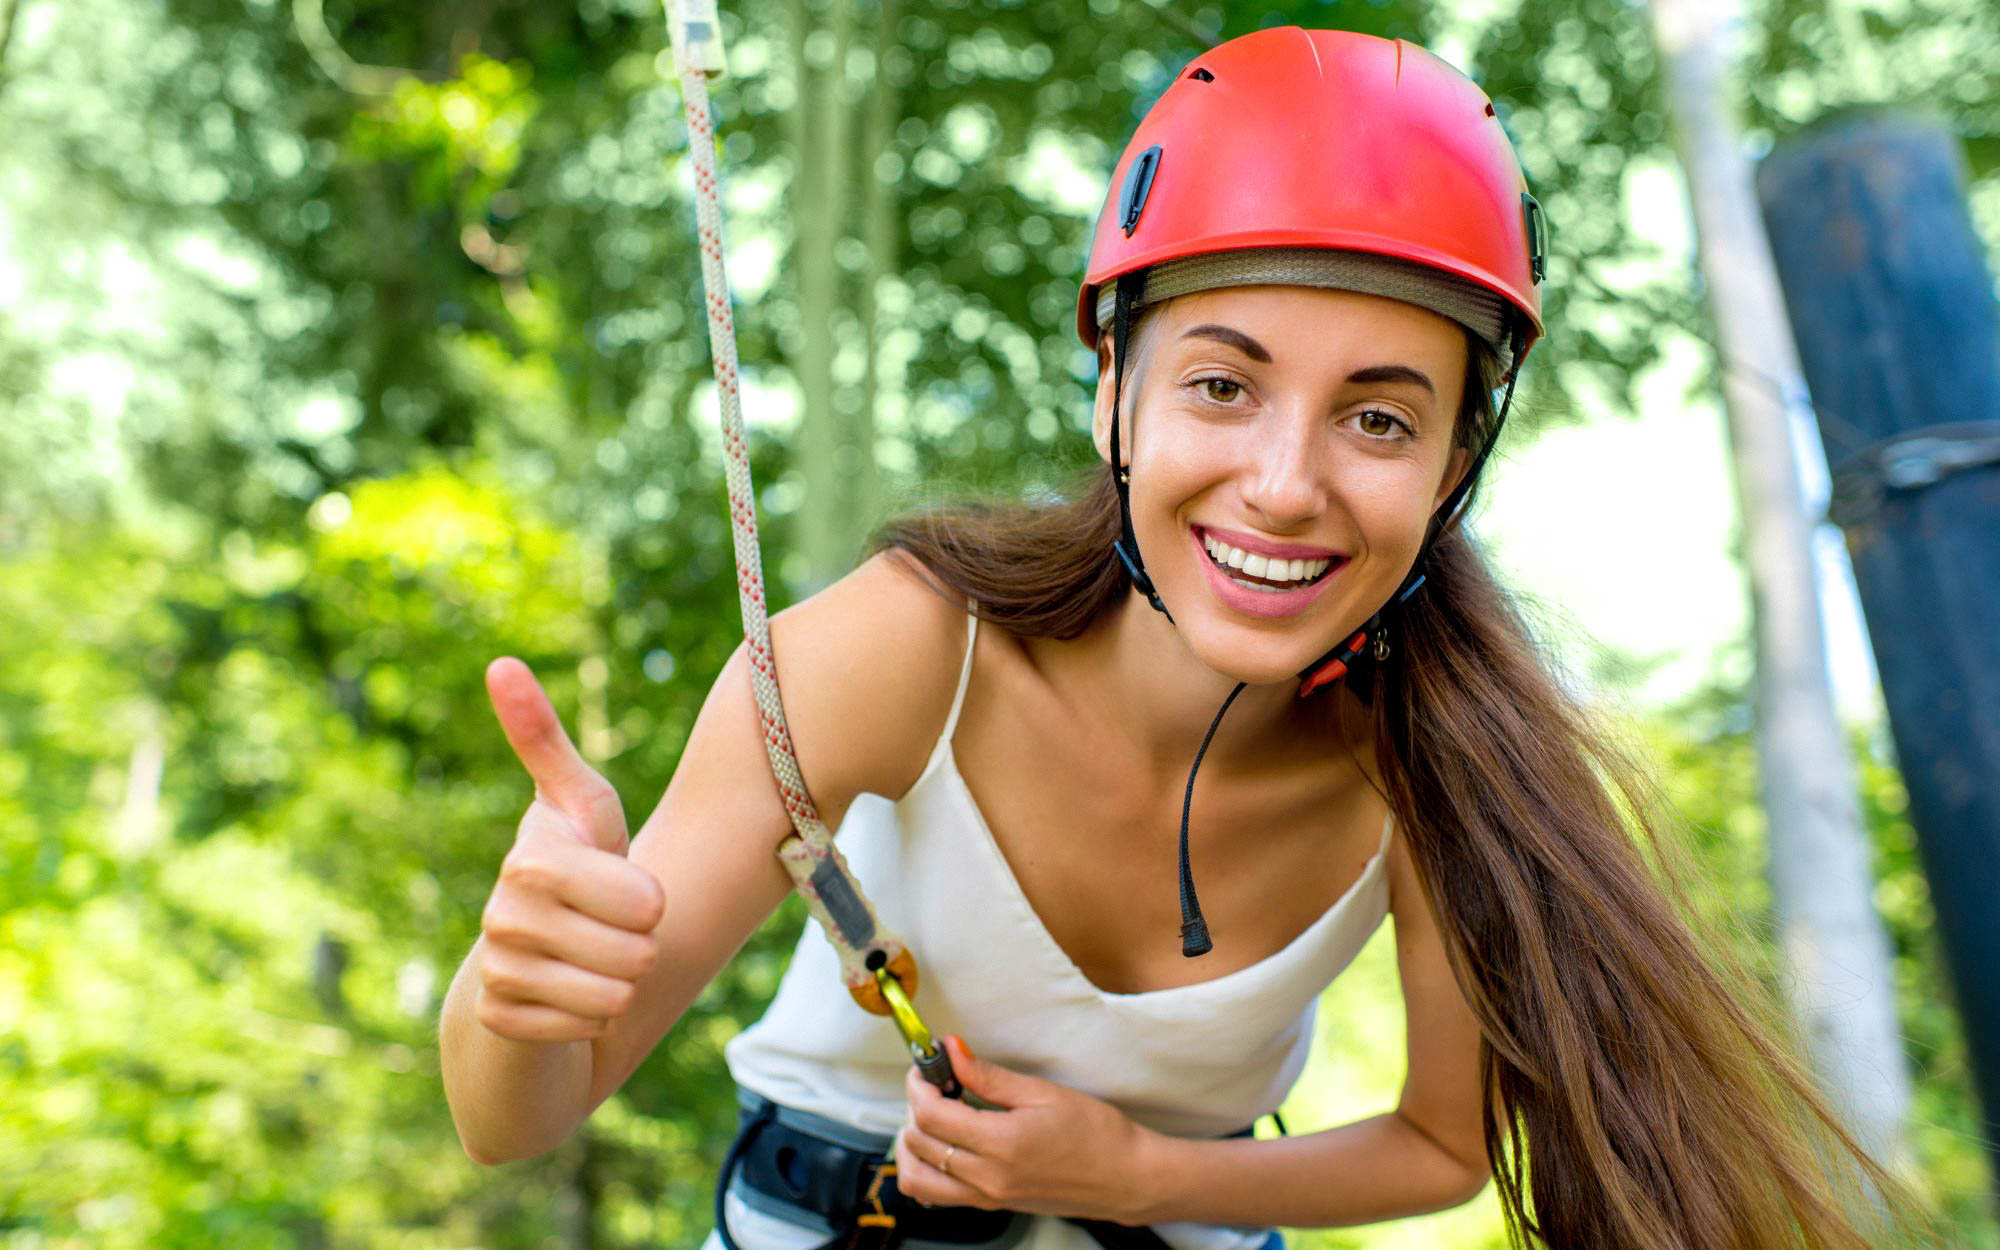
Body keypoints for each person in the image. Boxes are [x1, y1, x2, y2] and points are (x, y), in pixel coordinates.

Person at [441, 26, 1927, 1250]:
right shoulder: (898, 650)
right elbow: (519, 1113)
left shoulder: (1447, 769)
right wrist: (511, 992)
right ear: (1115, 395)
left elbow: (1439, 1144)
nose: (1287, 483)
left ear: (1453, 466)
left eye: (1378, 416)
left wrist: (1138, 1175)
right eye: (1224, 384)